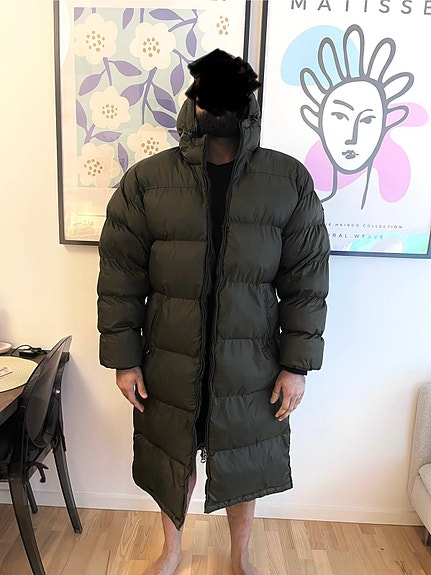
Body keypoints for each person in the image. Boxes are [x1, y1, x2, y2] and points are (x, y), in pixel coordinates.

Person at [97, 48, 330, 575]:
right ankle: (172, 551)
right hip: (170, 356)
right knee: (170, 459)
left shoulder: (287, 180)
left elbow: (306, 282)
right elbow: (120, 278)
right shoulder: (147, 181)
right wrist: (125, 360)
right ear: (194, 102)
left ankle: (239, 556)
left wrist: (295, 366)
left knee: (242, 460)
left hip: (251, 362)